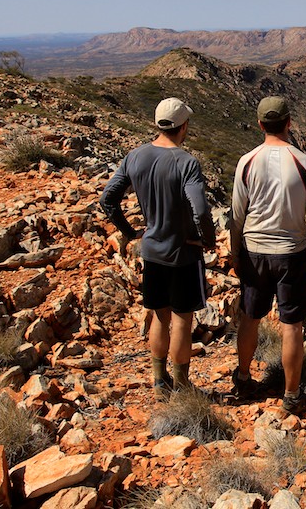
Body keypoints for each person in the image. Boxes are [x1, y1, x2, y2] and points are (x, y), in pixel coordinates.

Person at [100, 97, 216, 399]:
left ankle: (158, 380)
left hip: (151, 251)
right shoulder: (186, 162)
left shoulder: (135, 157)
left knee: (159, 316)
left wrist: (130, 232)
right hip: (183, 253)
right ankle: (181, 385)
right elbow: (201, 210)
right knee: (182, 319)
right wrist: (207, 239)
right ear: (183, 126)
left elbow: (107, 199)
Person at [230, 96, 306, 413]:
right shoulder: (305, 163)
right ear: (289, 123)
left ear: (260, 124)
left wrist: (236, 255)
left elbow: (237, 216)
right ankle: (291, 395)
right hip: (291, 254)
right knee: (292, 326)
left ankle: (244, 379)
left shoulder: (247, 161)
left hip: (254, 251)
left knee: (250, 317)